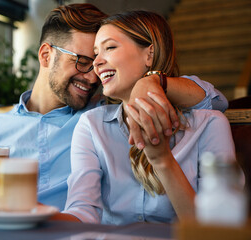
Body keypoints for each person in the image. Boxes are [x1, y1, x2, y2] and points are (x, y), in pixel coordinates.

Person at [0, 4, 228, 214]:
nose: (93, 74)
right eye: (84, 60)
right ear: (46, 55)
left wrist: (153, 82)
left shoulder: (101, 120)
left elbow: (212, 101)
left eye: (103, 53)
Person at [58, 10, 236, 224]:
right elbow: (82, 211)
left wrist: (163, 160)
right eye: (96, 53)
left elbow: (217, 229)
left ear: (149, 55)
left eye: (110, 47)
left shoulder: (209, 124)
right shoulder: (91, 125)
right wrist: (42, 218)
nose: (96, 63)